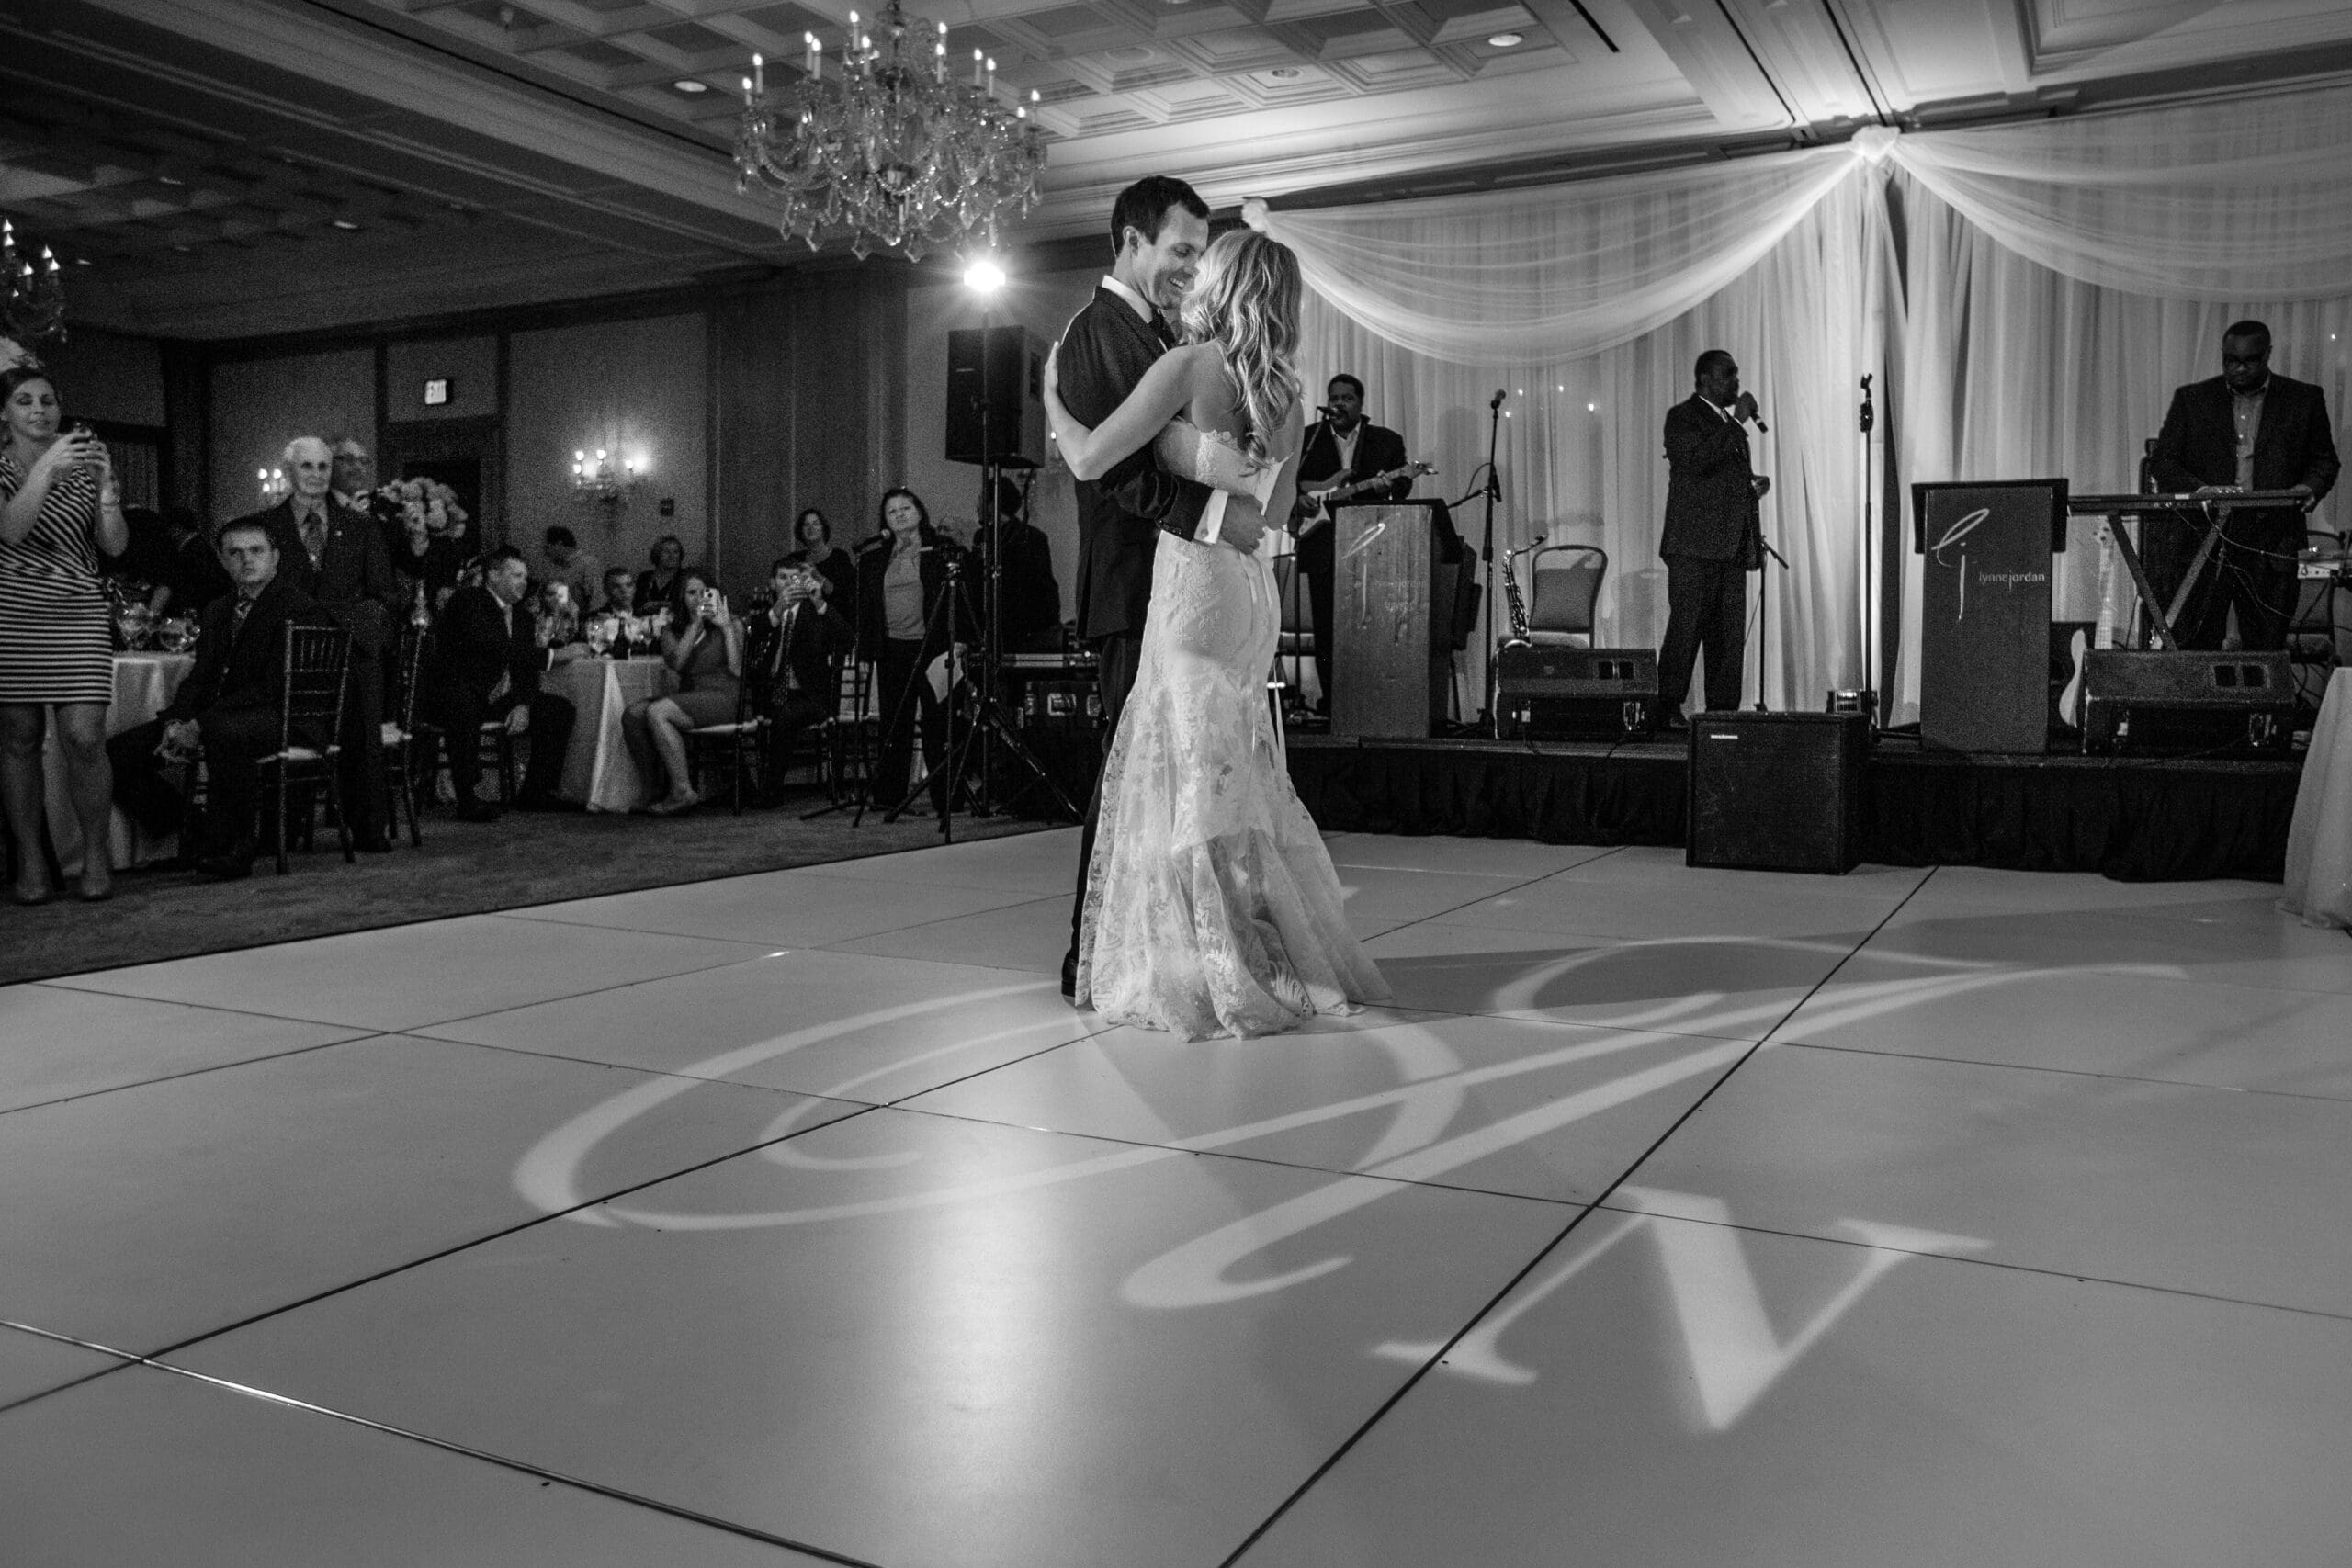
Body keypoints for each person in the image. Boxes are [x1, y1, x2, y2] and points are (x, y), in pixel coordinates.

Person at [1043, 228, 1390, 1039]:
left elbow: (1092, 459)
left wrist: (1056, 399)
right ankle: (1261, 946)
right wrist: (1209, 460)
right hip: (1249, 594)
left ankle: (1210, 962)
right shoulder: (1289, 396)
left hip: (1194, 585)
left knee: (1186, 776)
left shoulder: (1187, 367)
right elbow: (1268, 517)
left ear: (1223, 283)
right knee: (1238, 772)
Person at [1049, 174, 1234, 1000]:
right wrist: (1215, 519)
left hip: (1169, 582)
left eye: (1199, 255)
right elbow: (1121, 474)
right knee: (1126, 775)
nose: (1191, 270)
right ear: (1131, 242)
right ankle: (1090, 955)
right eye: (1180, 252)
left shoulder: (1154, 331)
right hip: (1134, 585)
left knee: (1166, 773)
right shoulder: (1100, 330)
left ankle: (1150, 945)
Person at [107, 520, 328, 880]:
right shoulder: (217, 610)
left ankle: (234, 850)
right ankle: (193, 831)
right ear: (223, 562)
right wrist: (178, 721)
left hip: (285, 716)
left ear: (275, 557)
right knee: (118, 754)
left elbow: (273, 688)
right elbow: (200, 679)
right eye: (235, 553)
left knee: (226, 733)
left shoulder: (299, 607)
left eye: (256, 551)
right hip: (220, 718)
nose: (247, 560)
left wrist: (200, 724)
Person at [234, 435, 399, 850]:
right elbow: (249, 592)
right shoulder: (262, 528)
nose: (317, 475)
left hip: (349, 654)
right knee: (270, 703)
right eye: (307, 467)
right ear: (289, 473)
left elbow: (384, 595)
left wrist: (340, 622)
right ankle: (280, 829)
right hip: (285, 654)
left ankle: (367, 828)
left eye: (324, 467)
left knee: (364, 695)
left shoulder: (362, 528)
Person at [0, 365, 128, 903]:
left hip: (77, 613)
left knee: (84, 737)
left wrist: (106, 494)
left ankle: (96, 856)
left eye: (48, 400)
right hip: (11, 614)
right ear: (4, 413)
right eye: (25, 401)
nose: (39, 410)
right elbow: (10, 530)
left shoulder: (84, 461)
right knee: (19, 739)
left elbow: (115, 546)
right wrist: (45, 471)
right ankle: (32, 860)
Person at [2148, 320, 2341, 651]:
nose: (2238, 368)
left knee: (2265, 644)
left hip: (2271, 536)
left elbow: (2324, 461)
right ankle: (2204, 704)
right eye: (2229, 360)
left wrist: (2308, 489)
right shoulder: (2193, 399)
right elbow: (2162, 462)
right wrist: (2199, 490)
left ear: (2268, 354)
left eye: (2249, 360)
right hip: (2205, 535)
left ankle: (2261, 706)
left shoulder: (2303, 399)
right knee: (2196, 643)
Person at [1656, 349, 1770, 723]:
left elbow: (1719, 478)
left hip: (1730, 546)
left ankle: (1722, 713)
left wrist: (1749, 485)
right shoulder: (1683, 417)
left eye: (1736, 374)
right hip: (1693, 546)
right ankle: (1667, 707)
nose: (1736, 382)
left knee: (1727, 636)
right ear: (1705, 379)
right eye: (1728, 375)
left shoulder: (1727, 426)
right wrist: (1736, 423)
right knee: (1687, 628)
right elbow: (1696, 461)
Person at [1289, 373, 1413, 711]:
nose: (1339, 404)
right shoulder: (1307, 439)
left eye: (1347, 398)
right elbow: (1286, 482)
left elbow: (1403, 486)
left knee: (1371, 626)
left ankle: (1373, 701)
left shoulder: (1386, 441)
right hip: (1322, 544)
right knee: (1327, 630)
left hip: (1371, 546)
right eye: (1334, 398)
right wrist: (1298, 500)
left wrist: (1385, 486)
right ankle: (1332, 703)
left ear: (1360, 403)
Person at [424, 547, 577, 820]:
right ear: (493, 575)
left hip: (498, 696)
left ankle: (536, 791)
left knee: (558, 710)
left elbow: (524, 669)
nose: (523, 582)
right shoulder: (469, 601)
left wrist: (523, 703)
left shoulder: (521, 617)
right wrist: (552, 656)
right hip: (462, 691)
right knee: (463, 702)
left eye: (526, 576)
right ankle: (468, 798)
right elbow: (492, 647)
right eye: (516, 575)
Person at [853, 488, 960, 818]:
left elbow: (957, 597)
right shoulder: (875, 558)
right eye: (891, 512)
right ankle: (890, 796)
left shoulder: (940, 550)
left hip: (932, 648)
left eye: (905, 508)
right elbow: (866, 609)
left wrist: (961, 641)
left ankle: (948, 798)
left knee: (937, 725)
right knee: (893, 725)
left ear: (919, 511)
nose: (899, 515)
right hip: (892, 649)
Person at [621, 566, 742, 816]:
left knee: (658, 711)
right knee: (633, 714)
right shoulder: (670, 631)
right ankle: (653, 786)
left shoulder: (732, 623)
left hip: (725, 696)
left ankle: (682, 790)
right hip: (689, 695)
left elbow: (738, 670)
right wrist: (695, 625)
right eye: (691, 593)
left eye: (704, 592)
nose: (699, 599)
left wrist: (726, 628)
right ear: (681, 598)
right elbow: (676, 663)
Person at [747, 555, 854, 795]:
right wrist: (776, 611)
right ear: (773, 583)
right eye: (782, 578)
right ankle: (748, 786)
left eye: (794, 578)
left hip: (810, 695)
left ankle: (770, 790)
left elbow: (847, 637)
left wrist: (820, 603)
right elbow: (750, 639)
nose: (788, 583)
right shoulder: (765, 613)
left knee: (785, 716)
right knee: (766, 713)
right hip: (770, 694)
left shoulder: (814, 612)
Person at [971, 476, 1064, 653]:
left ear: (993, 503)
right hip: (1024, 624)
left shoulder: (987, 537)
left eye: (981, 499)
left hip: (1015, 624)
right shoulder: (1033, 535)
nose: (977, 506)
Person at [154, 504, 232, 617]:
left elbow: (184, 591)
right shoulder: (199, 547)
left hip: (199, 617)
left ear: (176, 529)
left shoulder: (192, 552)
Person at [785, 508, 855, 604]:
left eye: (815, 524)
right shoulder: (795, 559)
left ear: (823, 529)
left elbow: (844, 595)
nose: (811, 528)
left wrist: (816, 575)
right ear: (801, 531)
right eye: (806, 525)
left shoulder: (839, 557)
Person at [537, 525, 603, 610]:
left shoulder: (587, 564)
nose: (545, 552)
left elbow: (596, 598)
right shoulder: (555, 567)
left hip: (581, 619)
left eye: (547, 547)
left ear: (559, 545)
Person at [634, 534, 689, 620]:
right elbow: (635, 607)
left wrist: (661, 605)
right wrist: (644, 609)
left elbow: (689, 606)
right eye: (666, 552)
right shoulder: (645, 577)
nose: (671, 556)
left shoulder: (686, 577)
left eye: (675, 552)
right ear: (657, 554)